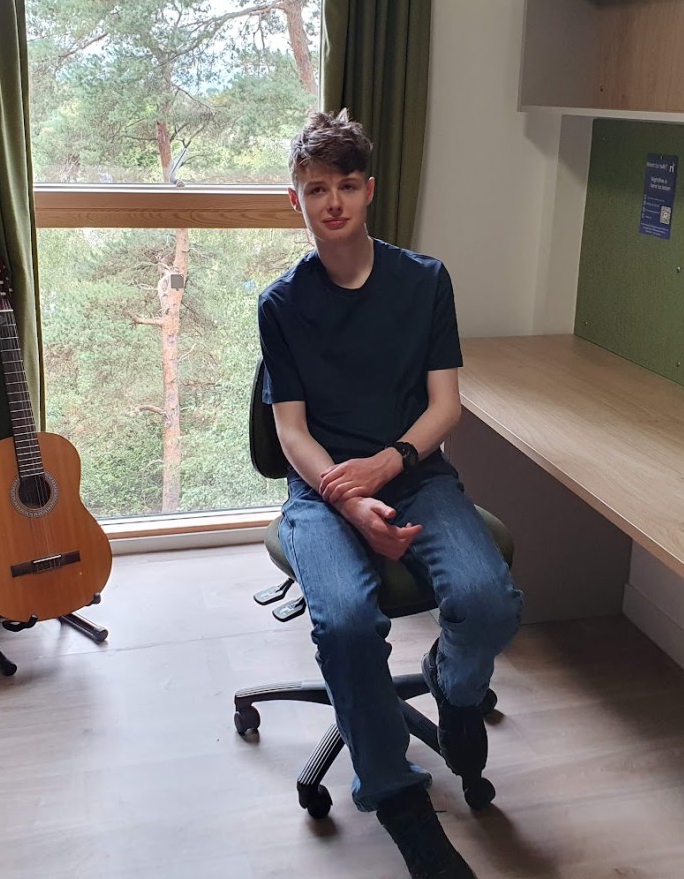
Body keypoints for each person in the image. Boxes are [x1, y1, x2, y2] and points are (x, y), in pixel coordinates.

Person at [258, 109, 523, 879]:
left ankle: (455, 688)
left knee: (489, 602)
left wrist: (389, 464)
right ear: (296, 200)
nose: (332, 202)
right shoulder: (282, 303)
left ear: (369, 190)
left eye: (346, 185)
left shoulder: (424, 281)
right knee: (346, 621)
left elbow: (445, 407)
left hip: (416, 474)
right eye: (316, 189)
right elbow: (291, 433)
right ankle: (401, 805)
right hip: (322, 494)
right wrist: (348, 498)